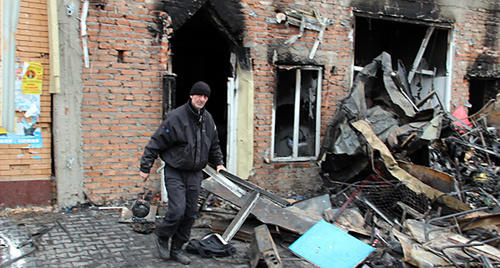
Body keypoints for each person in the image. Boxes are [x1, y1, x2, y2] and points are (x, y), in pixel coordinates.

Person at [139, 81, 226, 265]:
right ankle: (162, 236)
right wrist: (145, 167)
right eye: (198, 95)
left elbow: (214, 144)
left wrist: (219, 163)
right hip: (175, 171)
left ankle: (177, 248)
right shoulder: (175, 117)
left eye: (205, 96)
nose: (201, 99)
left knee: (190, 213)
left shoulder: (208, 119)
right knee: (177, 210)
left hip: (195, 172)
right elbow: (156, 142)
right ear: (191, 95)